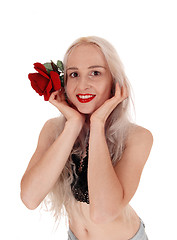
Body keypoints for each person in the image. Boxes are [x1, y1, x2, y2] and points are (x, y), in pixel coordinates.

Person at [20, 36, 153, 240]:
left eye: (95, 73)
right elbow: (30, 198)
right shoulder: (53, 130)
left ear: (114, 83)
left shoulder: (137, 137)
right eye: (74, 74)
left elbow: (103, 213)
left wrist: (98, 123)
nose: (82, 85)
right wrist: (73, 124)